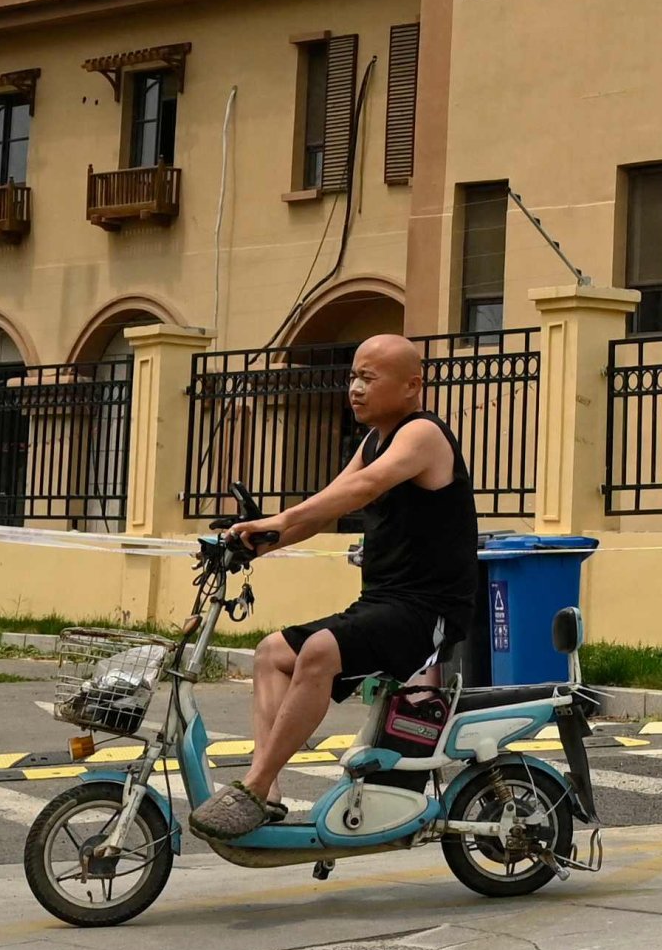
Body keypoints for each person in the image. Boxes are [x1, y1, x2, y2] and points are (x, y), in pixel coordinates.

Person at [189, 334, 478, 839]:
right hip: (383, 603)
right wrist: (255, 543)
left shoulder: (423, 435)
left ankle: (253, 787)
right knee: (271, 653)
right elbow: (331, 504)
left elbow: (362, 489)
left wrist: (276, 519)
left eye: (369, 377)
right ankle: (270, 791)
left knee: (319, 652)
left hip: (428, 610)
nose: (355, 388)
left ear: (412, 385)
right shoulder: (374, 441)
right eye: (352, 377)